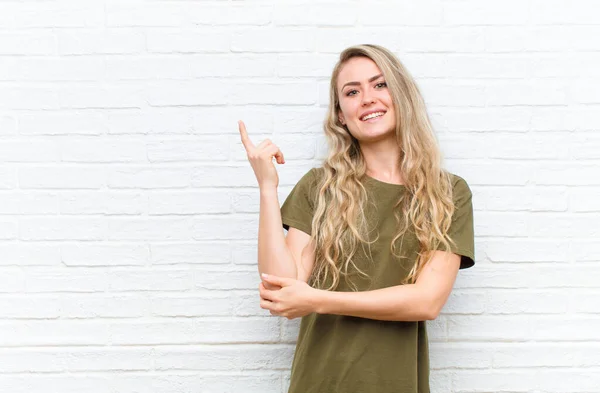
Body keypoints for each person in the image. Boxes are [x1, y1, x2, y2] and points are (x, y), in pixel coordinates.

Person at [238, 44, 474, 393]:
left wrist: (318, 299)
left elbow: (427, 300)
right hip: (319, 383)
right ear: (339, 115)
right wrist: (267, 189)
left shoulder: (448, 192)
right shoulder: (319, 188)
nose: (367, 98)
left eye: (380, 85)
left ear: (402, 96)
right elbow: (281, 290)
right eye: (352, 92)